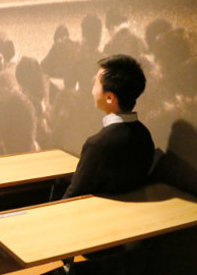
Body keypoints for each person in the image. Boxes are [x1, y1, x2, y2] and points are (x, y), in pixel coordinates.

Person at [63, 54, 154, 198]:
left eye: (95, 83)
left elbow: (73, 196)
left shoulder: (97, 145)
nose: (92, 88)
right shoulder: (144, 134)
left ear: (110, 97)